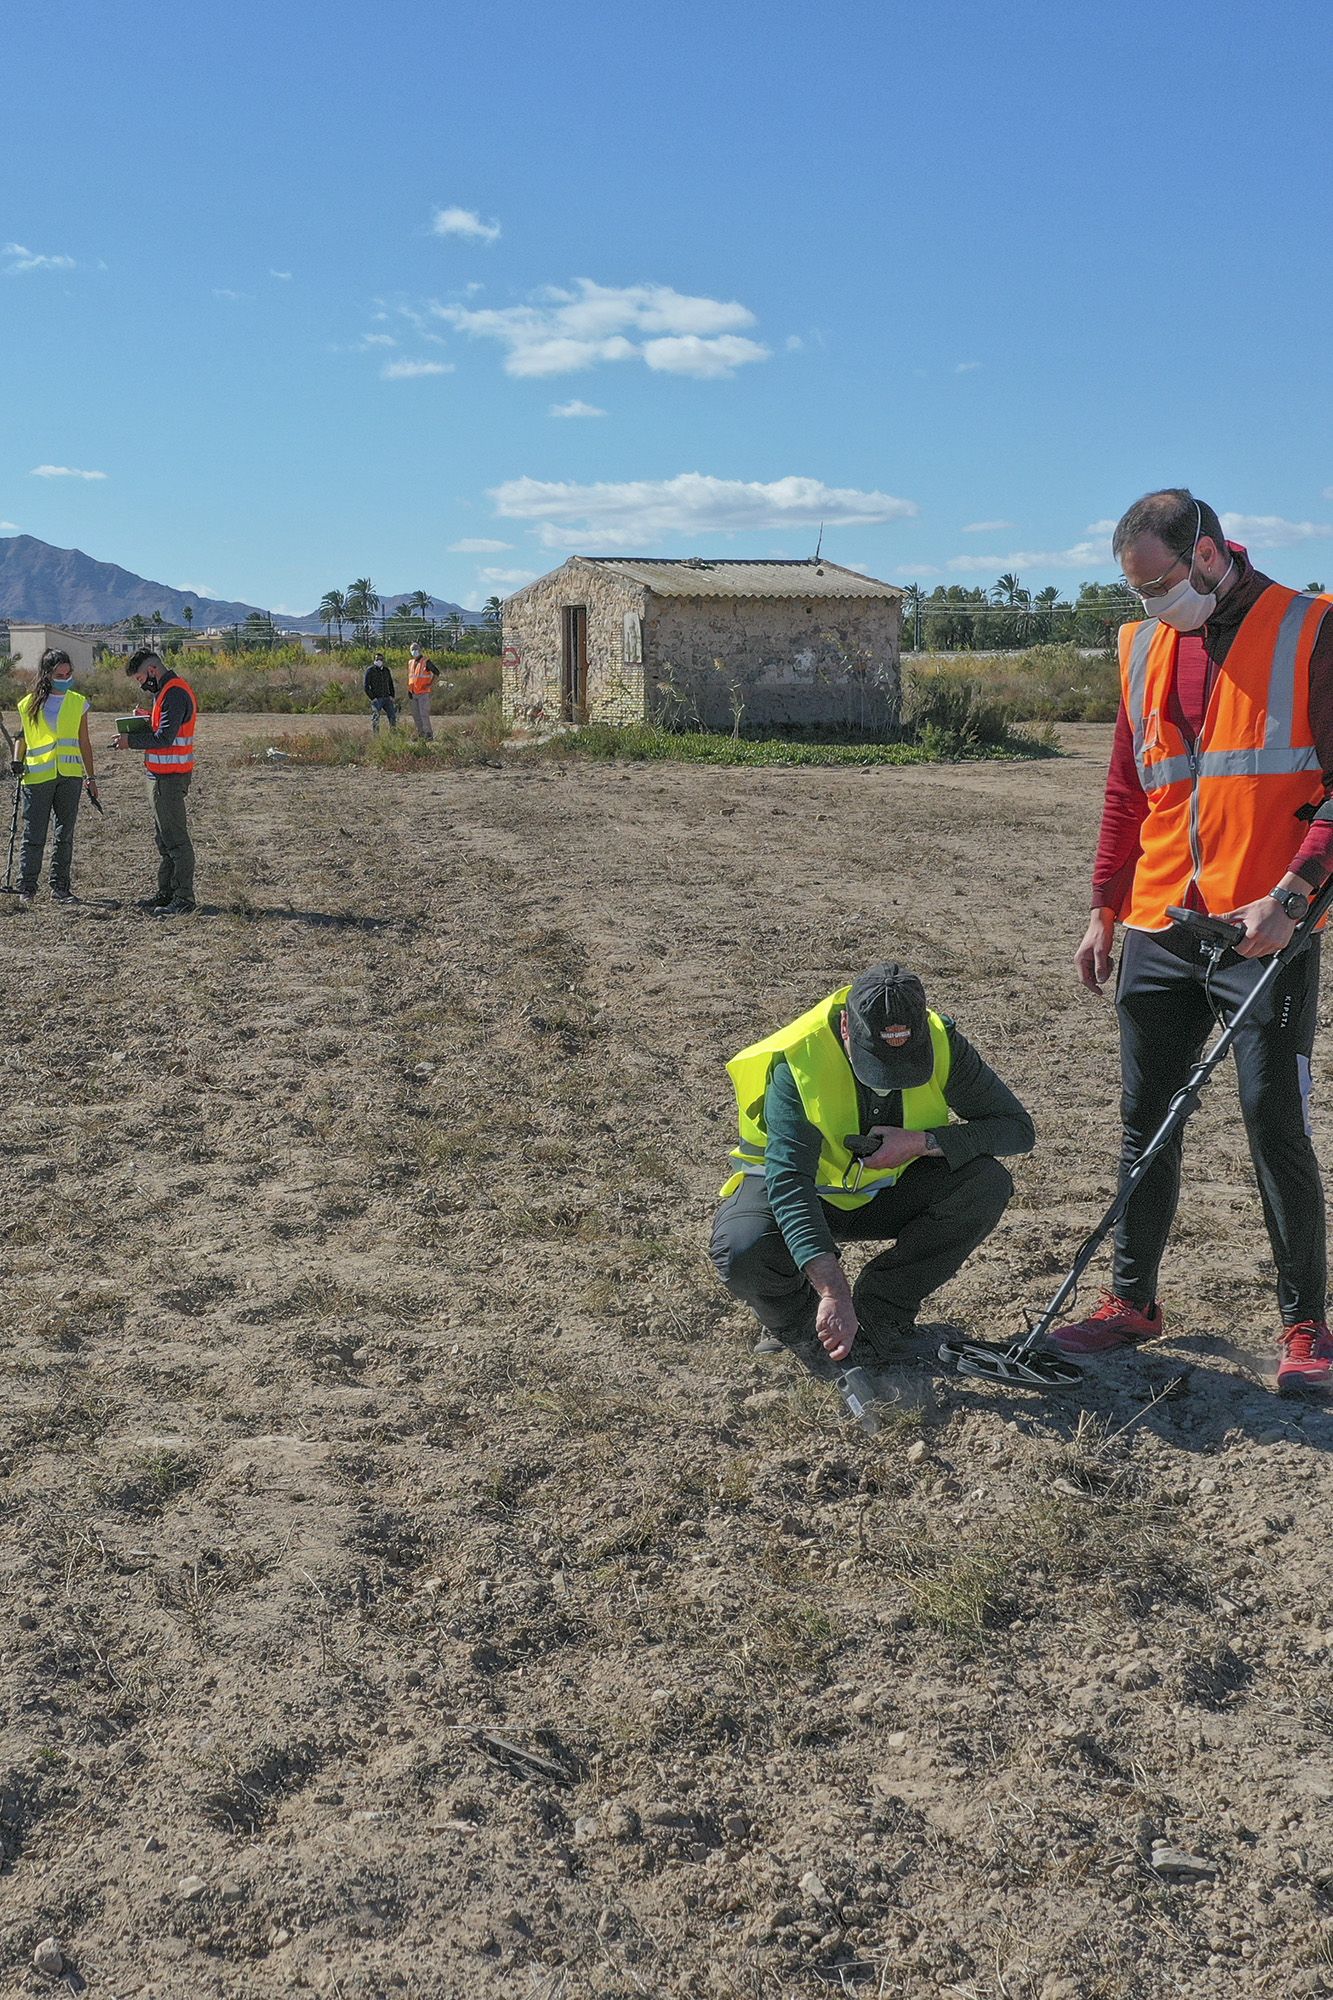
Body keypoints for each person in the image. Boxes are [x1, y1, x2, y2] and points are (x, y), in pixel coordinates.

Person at [1062, 488, 1333, 1394]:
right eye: (1135, 591)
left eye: (1160, 584)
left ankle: (1306, 1328)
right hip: (1157, 923)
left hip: (1263, 930)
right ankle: (1130, 1302)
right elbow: (1126, 787)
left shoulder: (1308, 630)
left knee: (1272, 1121)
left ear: (1209, 554)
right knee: (1143, 1121)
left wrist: (1291, 899)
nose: (1149, 605)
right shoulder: (1143, 645)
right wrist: (1104, 905)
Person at [709, 962, 1035, 1367]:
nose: (889, 1077)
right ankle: (803, 1331)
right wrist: (832, 1292)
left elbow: (1017, 1130)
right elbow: (790, 1182)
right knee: (742, 1246)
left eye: (905, 1063)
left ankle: (880, 1317)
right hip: (806, 1198)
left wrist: (922, 1143)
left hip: (883, 1193)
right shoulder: (799, 1061)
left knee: (985, 1183)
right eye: (874, 1061)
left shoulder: (942, 1040)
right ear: (846, 1025)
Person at [11, 648, 100, 908]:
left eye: (68, 673)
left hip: (69, 776)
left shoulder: (78, 702)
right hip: (37, 778)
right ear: (47, 675)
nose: (65, 677)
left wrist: (91, 777)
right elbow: (23, 736)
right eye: (60, 674)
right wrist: (17, 760)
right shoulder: (28, 704)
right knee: (34, 834)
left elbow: (85, 742)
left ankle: (60, 887)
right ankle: (27, 887)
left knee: (65, 834)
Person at [117, 648, 199, 916]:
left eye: (140, 679)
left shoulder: (174, 692)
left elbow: (165, 738)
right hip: (161, 776)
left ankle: (183, 898)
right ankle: (167, 893)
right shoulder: (164, 692)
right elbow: (163, 727)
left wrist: (130, 742)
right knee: (164, 840)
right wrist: (145, 717)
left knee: (175, 840)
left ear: (152, 671)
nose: (141, 684)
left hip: (170, 778)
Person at [406, 641, 438, 740]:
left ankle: (428, 734)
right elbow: (411, 677)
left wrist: (430, 684)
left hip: (423, 693)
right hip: (413, 692)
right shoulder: (411, 662)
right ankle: (421, 734)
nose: (414, 651)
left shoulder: (426, 661)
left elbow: (436, 673)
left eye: (416, 649)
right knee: (416, 715)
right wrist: (409, 690)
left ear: (420, 650)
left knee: (424, 714)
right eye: (412, 649)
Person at [364, 651, 397, 732]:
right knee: (376, 717)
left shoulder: (386, 670)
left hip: (387, 698)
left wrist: (392, 696)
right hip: (377, 699)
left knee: (392, 716)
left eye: (380, 659)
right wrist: (372, 697)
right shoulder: (370, 671)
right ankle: (376, 737)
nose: (379, 661)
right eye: (377, 659)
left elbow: (390, 683)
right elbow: (366, 686)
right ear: (374, 660)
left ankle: (394, 734)